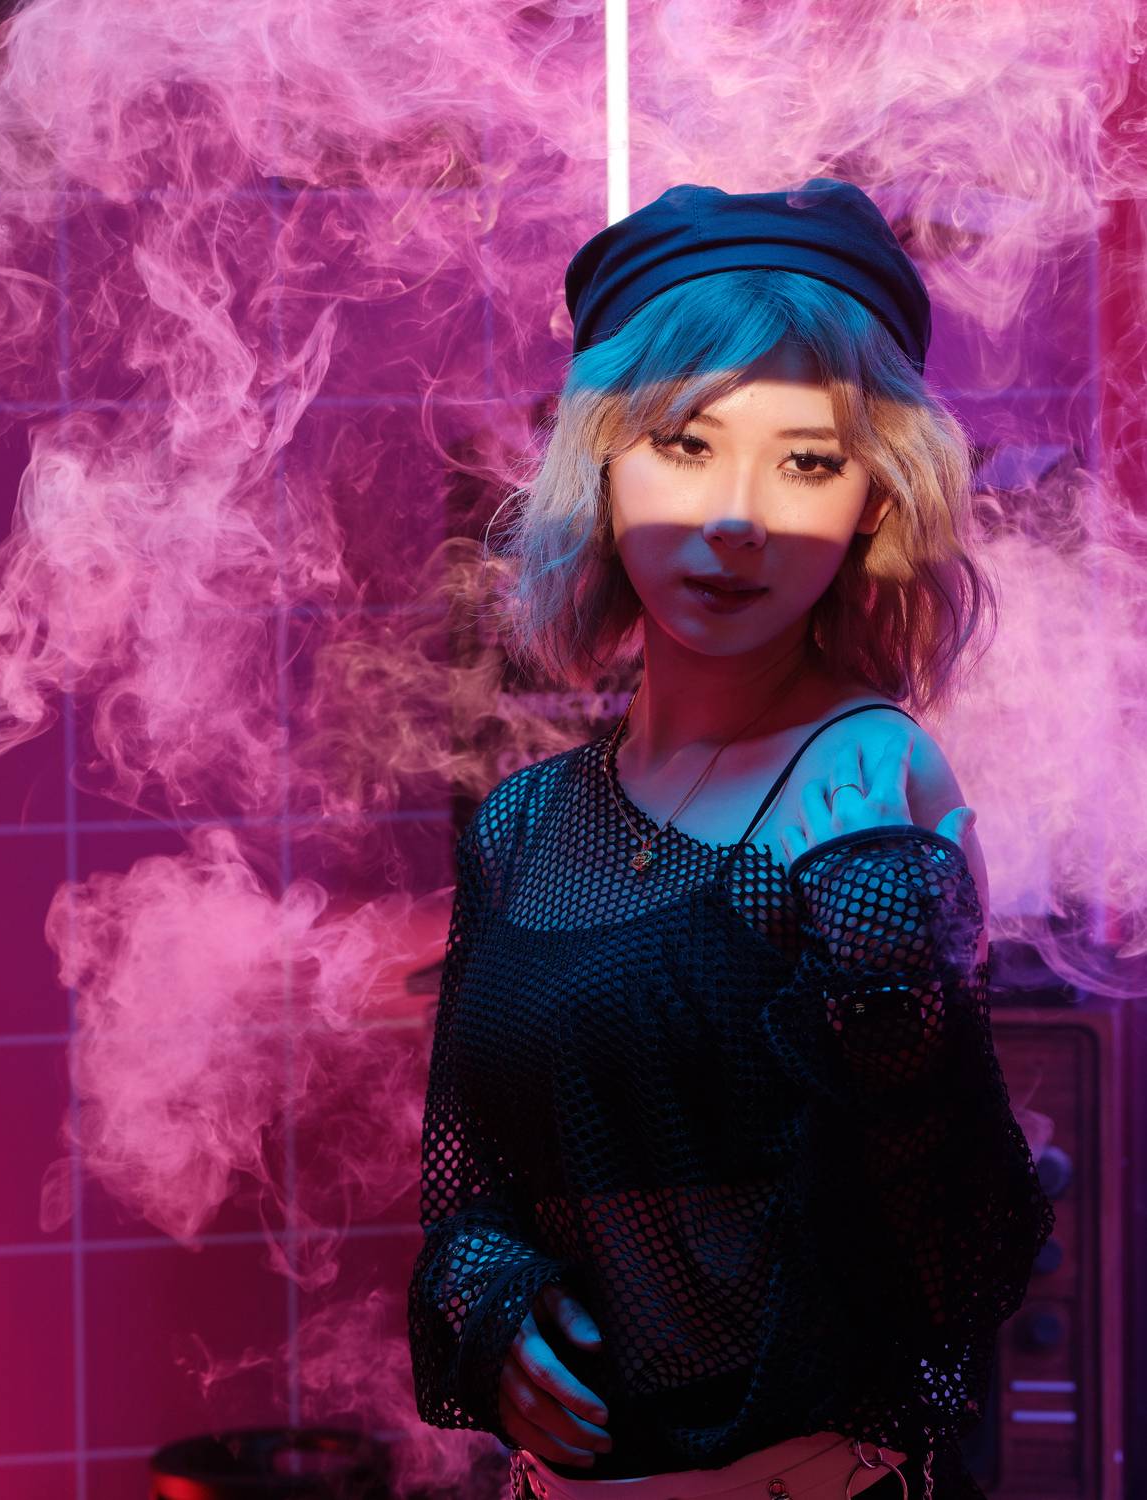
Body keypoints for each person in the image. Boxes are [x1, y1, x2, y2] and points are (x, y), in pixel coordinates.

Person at [406, 181, 1055, 1500]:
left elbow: (957, 1256)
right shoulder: (525, 823)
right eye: (685, 443)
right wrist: (494, 1311)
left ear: (875, 499)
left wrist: (882, 946)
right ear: (600, 466)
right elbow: (474, 1183)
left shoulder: (869, 783)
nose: (737, 517)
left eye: (807, 461)